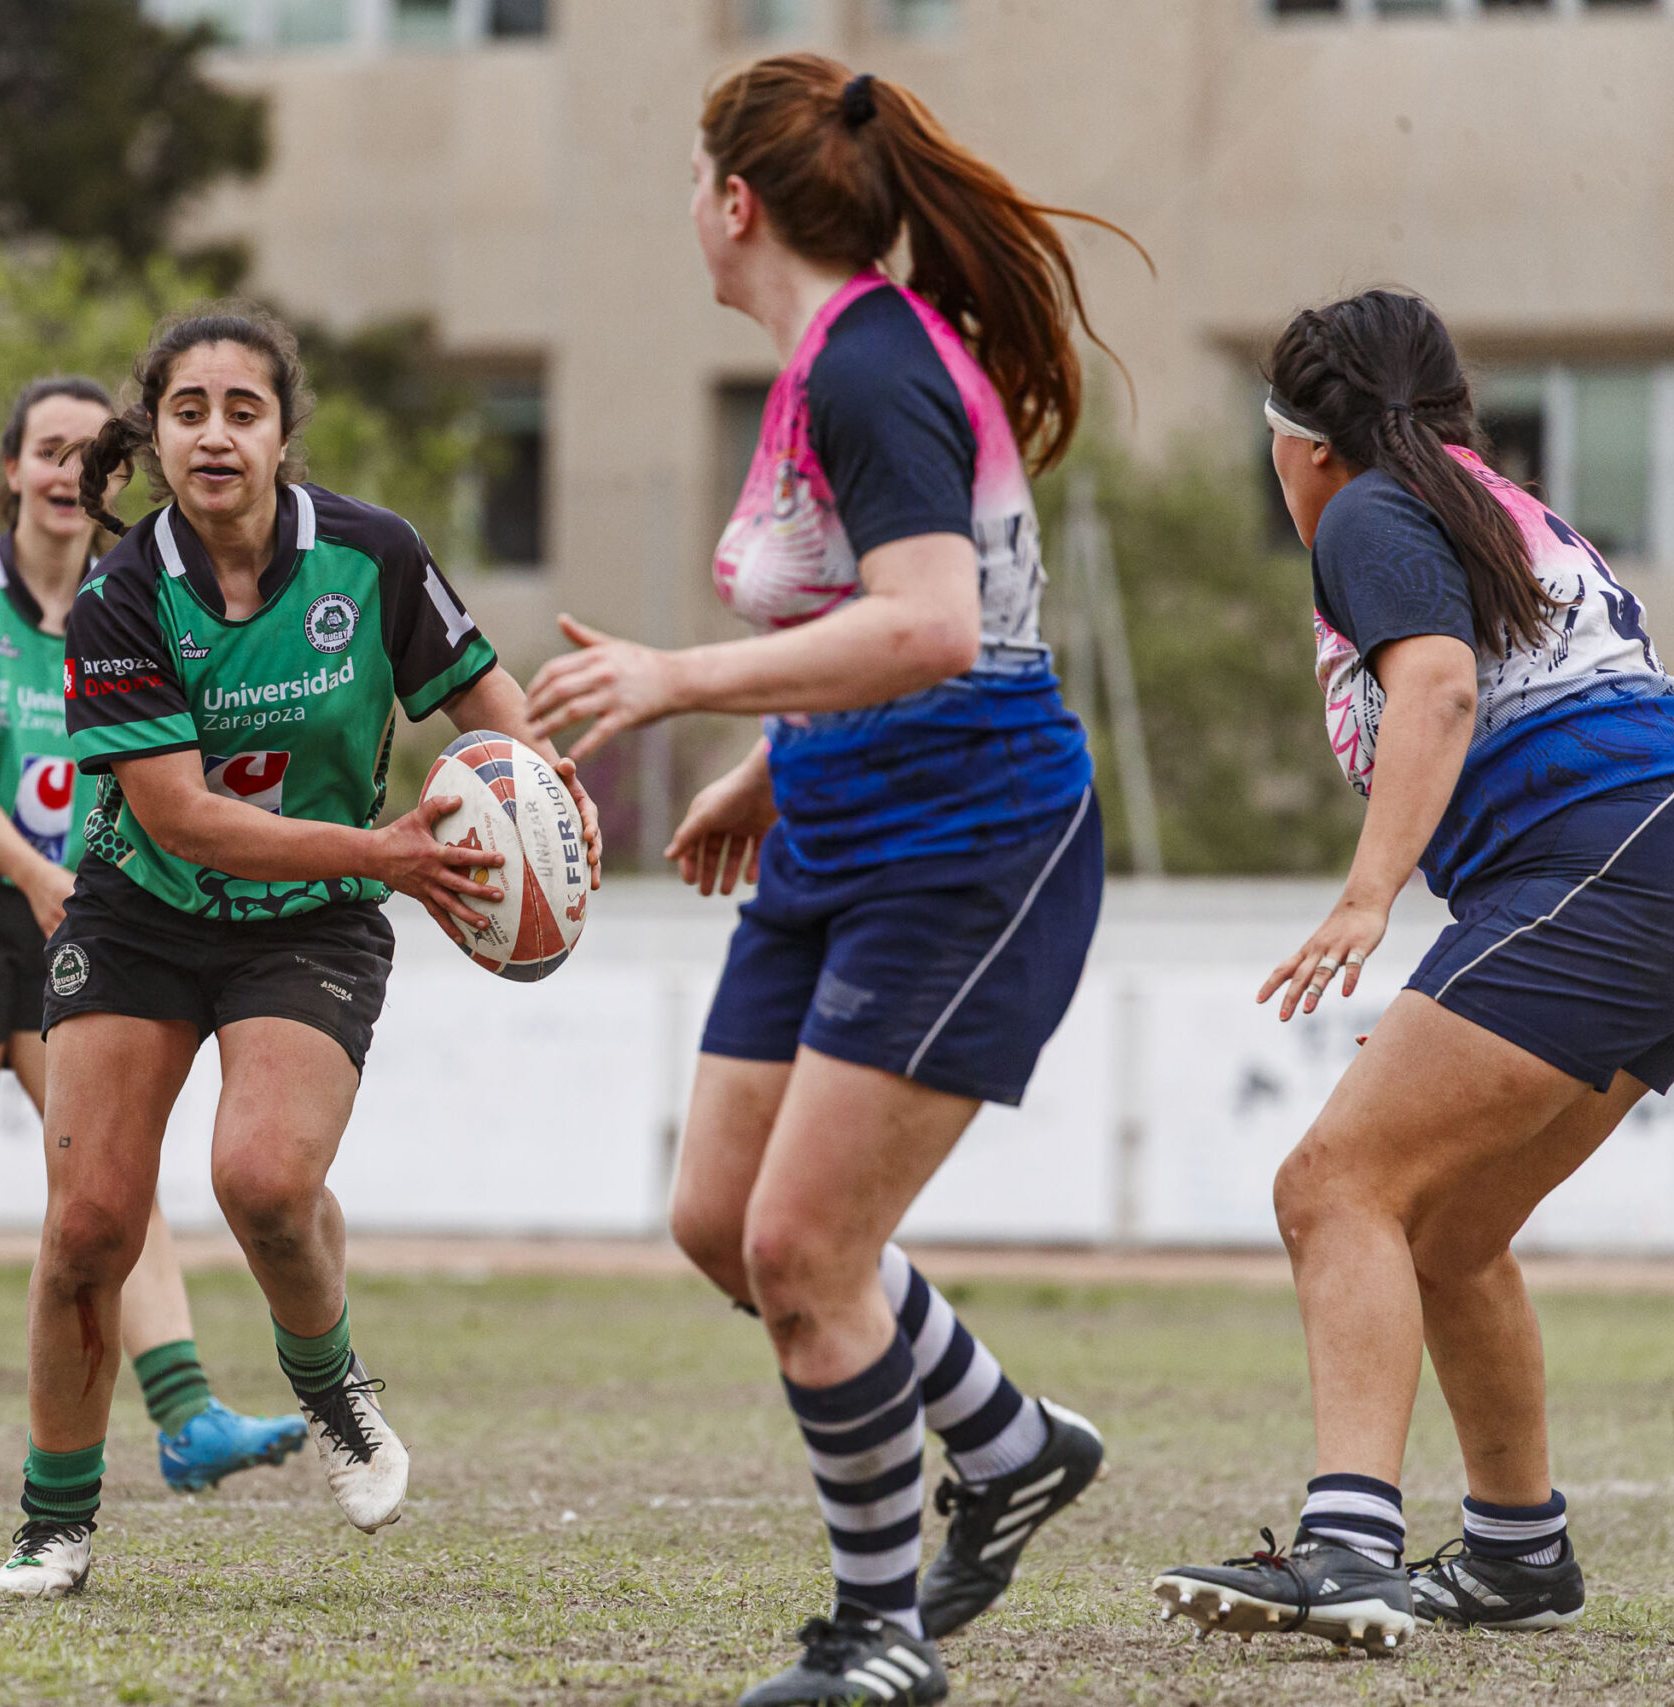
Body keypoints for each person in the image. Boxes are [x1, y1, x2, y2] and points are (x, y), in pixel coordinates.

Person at [524, 58, 1142, 1706]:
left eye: (692, 182)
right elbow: (871, 625)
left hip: (968, 838)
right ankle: (1009, 1445)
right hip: (841, 817)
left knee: (805, 1249)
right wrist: (770, 757)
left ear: (735, 204)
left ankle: (881, 1634)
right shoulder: (828, 361)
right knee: (727, 1227)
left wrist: (674, 680)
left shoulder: (870, 365)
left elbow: (942, 626)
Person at [0, 305, 602, 1598]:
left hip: (309, 918)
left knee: (264, 1180)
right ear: (151, 434)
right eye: (188, 409)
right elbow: (179, 814)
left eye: (242, 408)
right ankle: (55, 1520)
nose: (215, 432)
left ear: (281, 431)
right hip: (144, 908)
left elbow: (489, 701)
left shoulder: (374, 555)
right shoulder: (119, 594)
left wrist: (552, 788)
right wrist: (387, 853)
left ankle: (334, 1388)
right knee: (88, 1225)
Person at [1152, 291, 1674, 1649]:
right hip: (1633, 862)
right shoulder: (1485, 499)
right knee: (1445, 1230)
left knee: (1335, 1182)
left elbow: (1439, 685)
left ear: (1302, 444)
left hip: (1605, 860)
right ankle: (1515, 1553)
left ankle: (1346, 1545)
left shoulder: (1372, 509)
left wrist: (1367, 892)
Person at [0, 375, 307, 1495]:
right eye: (48, 451)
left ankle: (187, 1414)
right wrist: (35, 873)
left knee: (107, 1174)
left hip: (78, 914)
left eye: (90, 455)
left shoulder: (132, 595)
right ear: (11, 470)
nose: (67, 473)